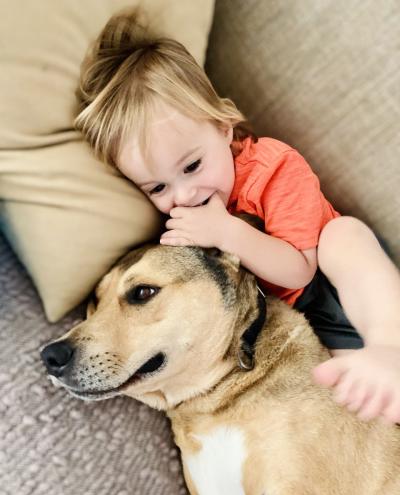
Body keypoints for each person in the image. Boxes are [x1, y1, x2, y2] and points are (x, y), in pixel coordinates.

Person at [74, 10, 400, 424]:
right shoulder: (187, 216)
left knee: (343, 233)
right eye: (158, 188)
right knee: (365, 404)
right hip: (290, 328)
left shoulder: (274, 167)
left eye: (191, 166)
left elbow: (298, 271)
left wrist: (226, 231)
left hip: (338, 292)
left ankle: (391, 346)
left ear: (224, 128)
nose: (184, 195)